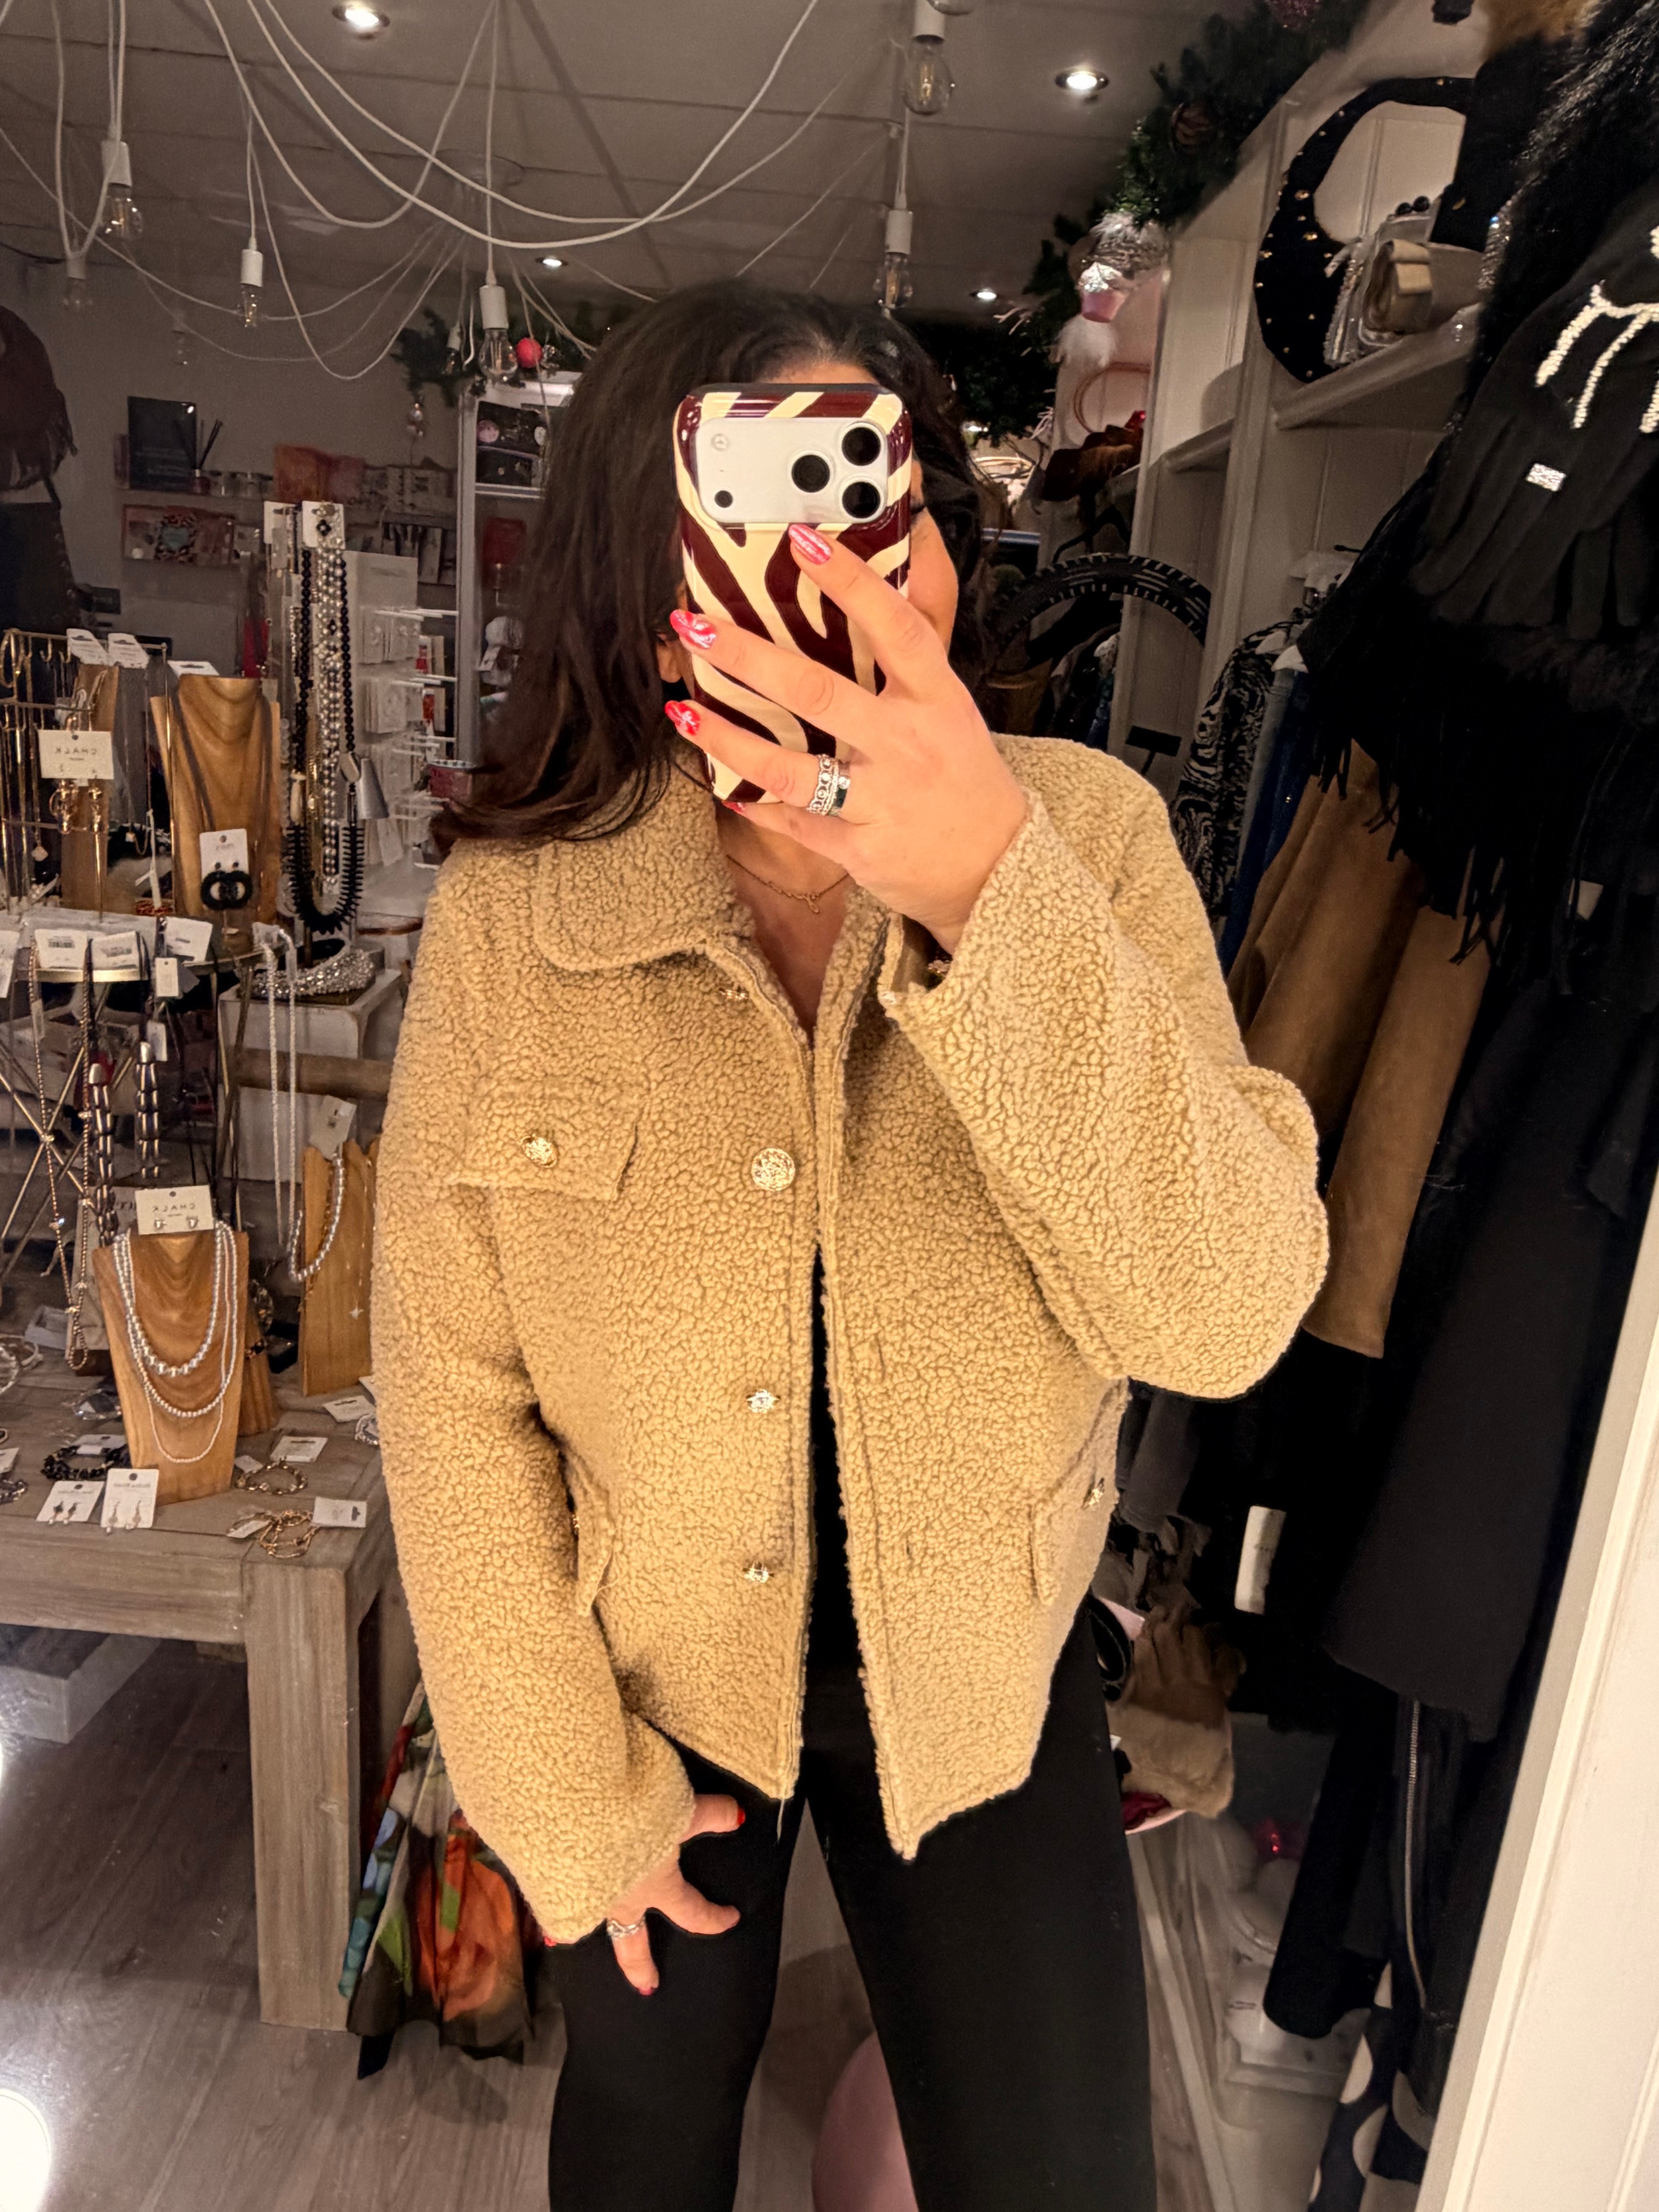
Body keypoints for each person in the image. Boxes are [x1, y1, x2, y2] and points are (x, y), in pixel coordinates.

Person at [372, 279, 1326, 2212]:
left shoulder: (1087, 842)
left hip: (986, 1680)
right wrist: (560, 1793)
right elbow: (451, 1392)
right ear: (646, 567)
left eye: (884, 500)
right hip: (654, 1692)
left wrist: (985, 889)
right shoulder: (520, 920)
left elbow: (1226, 1315)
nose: (841, 565)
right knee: (642, 2151)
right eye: (768, 505)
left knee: (1063, 2175)